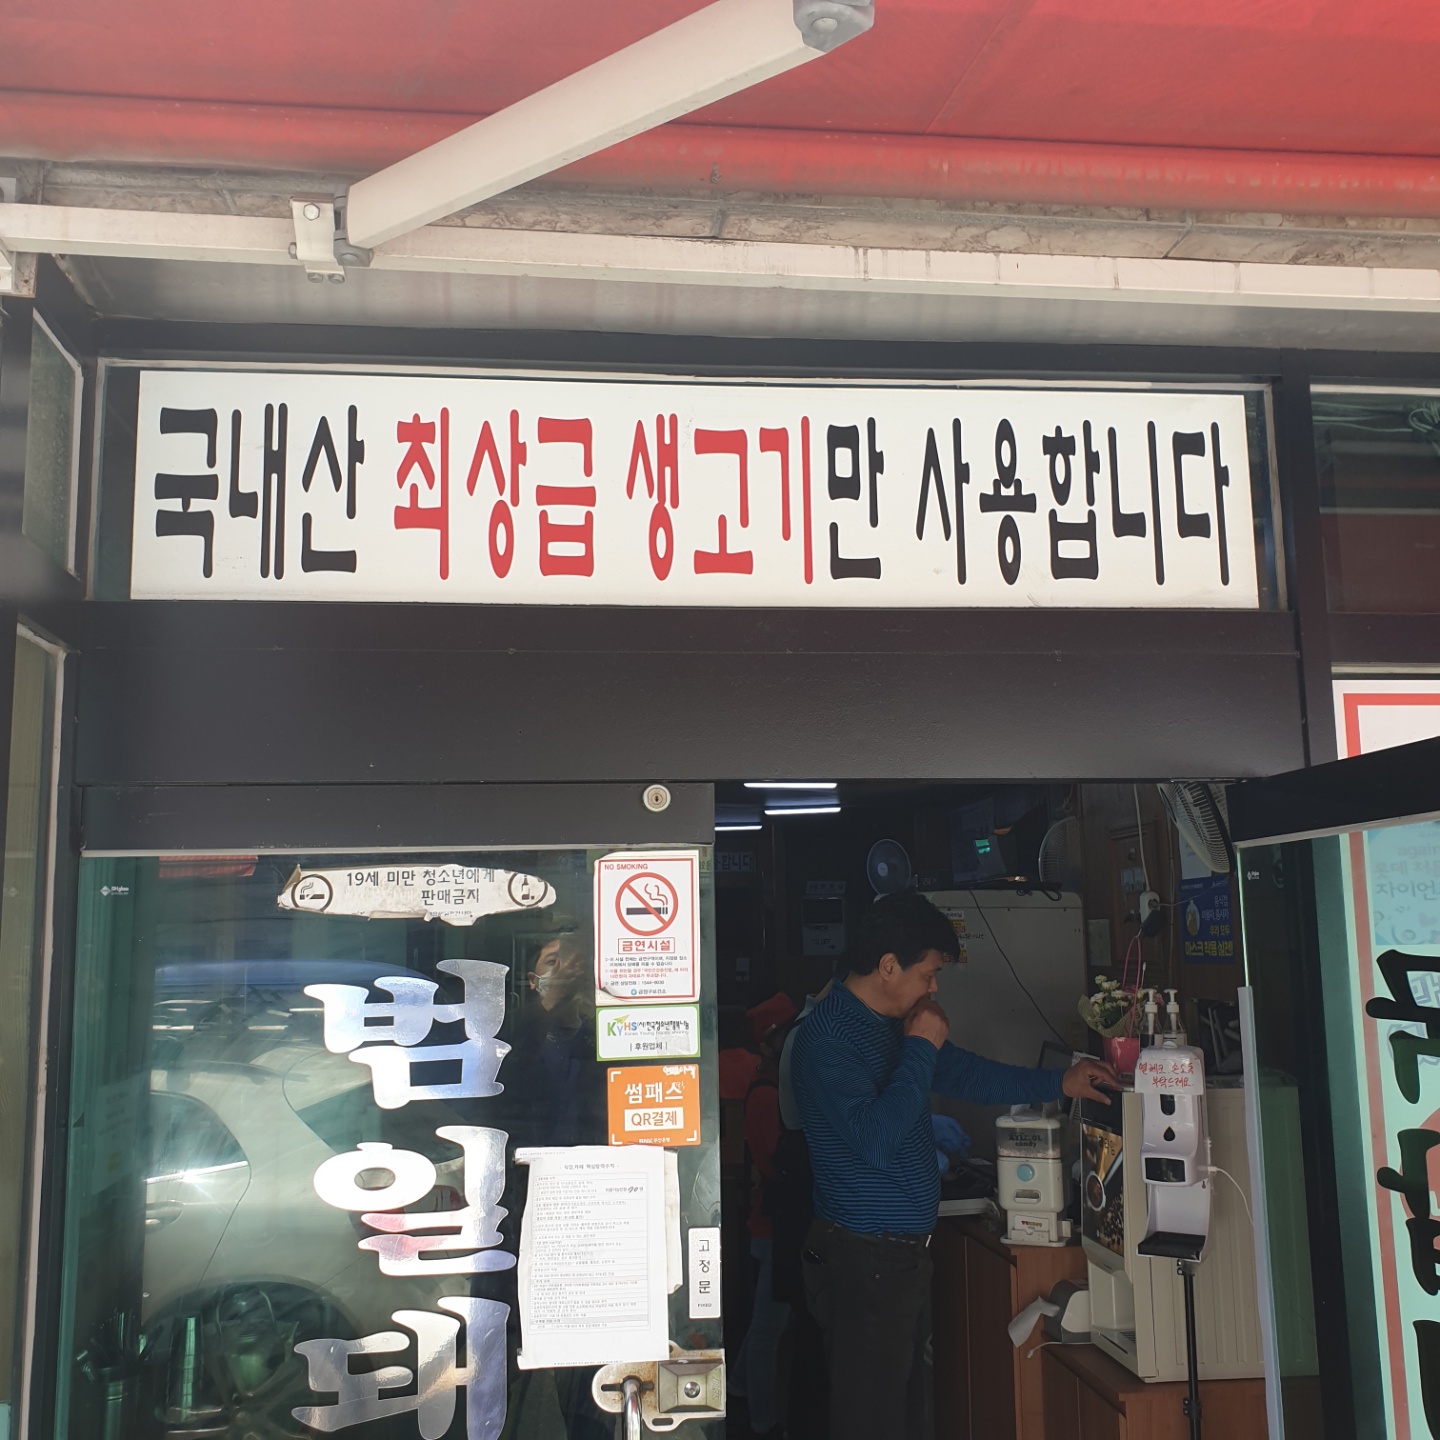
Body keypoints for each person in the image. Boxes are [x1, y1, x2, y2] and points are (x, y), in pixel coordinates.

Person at [790, 892, 1119, 1440]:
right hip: (862, 1259)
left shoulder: (891, 1024)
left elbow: (968, 1075)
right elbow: (877, 1141)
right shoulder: (828, 1037)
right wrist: (921, 1047)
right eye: (929, 974)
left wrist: (1060, 1082)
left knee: (905, 1415)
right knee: (871, 1422)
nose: (934, 988)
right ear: (888, 966)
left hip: (897, 1257)